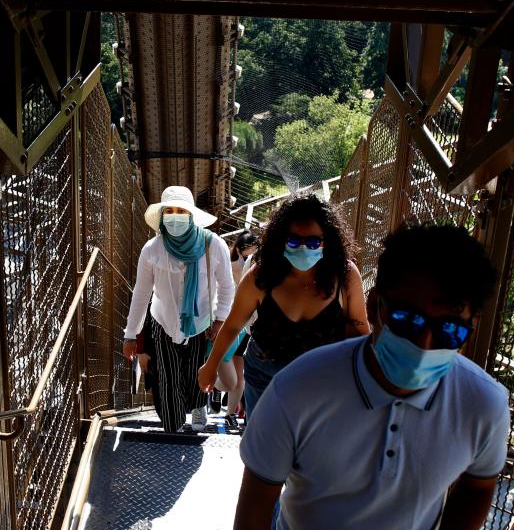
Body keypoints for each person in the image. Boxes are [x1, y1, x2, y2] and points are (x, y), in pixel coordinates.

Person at [232, 224, 509, 530]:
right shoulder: (299, 390)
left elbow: (480, 485)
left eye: (451, 331)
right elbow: (254, 506)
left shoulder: (483, 404)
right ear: (377, 305)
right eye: (408, 321)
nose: (425, 344)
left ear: (472, 328)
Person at [198, 194, 368, 418]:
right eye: (294, 241)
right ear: (280, 240)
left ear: (328, 241)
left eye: (314, 242)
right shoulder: (261, 276)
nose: (304, 248)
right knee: (264, 447)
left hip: (323, 376)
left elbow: (359, 327)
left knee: (313, 448)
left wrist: (366, 375)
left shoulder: (345, 275)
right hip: (265, 374)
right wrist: (211, 366)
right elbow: (232, 325)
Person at [124, 186, 235, 433]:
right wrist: (131, 334)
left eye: (181, 211)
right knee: (168, 376)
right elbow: (141, 294)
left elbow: (227, 287)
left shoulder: (213, 245)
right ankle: (172, 428)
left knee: (197, 371)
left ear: (191, 214)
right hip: (162, 322)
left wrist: (220, 320)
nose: (175, 216)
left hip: (202, 323)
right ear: (162, 215)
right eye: (170, 211)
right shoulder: (152, 249)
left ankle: (198, 408)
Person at [214, 230, 259, 425]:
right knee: (229, 372)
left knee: (240, 374)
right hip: (231, 323)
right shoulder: (231, 267)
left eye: (255, 248)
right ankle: (216, 388)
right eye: (249, 249)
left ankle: (230, 414)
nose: (252, 252)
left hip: (248, 326)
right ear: (240, 250)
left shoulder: (258, 267)